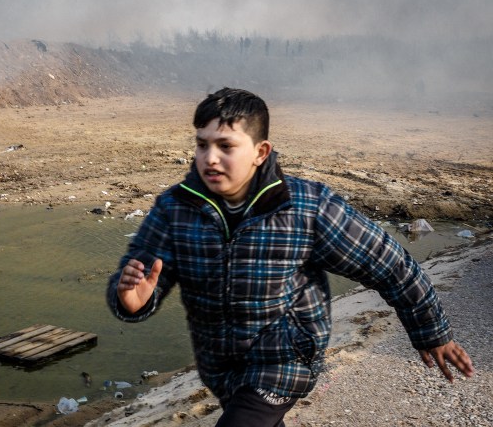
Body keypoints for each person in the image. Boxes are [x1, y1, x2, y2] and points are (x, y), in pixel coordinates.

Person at [106, 88, 474, 427]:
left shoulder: (306, 207)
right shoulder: (176, 207)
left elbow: (389, 265)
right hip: (219, 364)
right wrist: (135, 299)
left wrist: (431, 332)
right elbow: (141, 274)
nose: (210, 158)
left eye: (225, 146)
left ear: (260, 152)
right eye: (202, 145)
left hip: (285, 360)